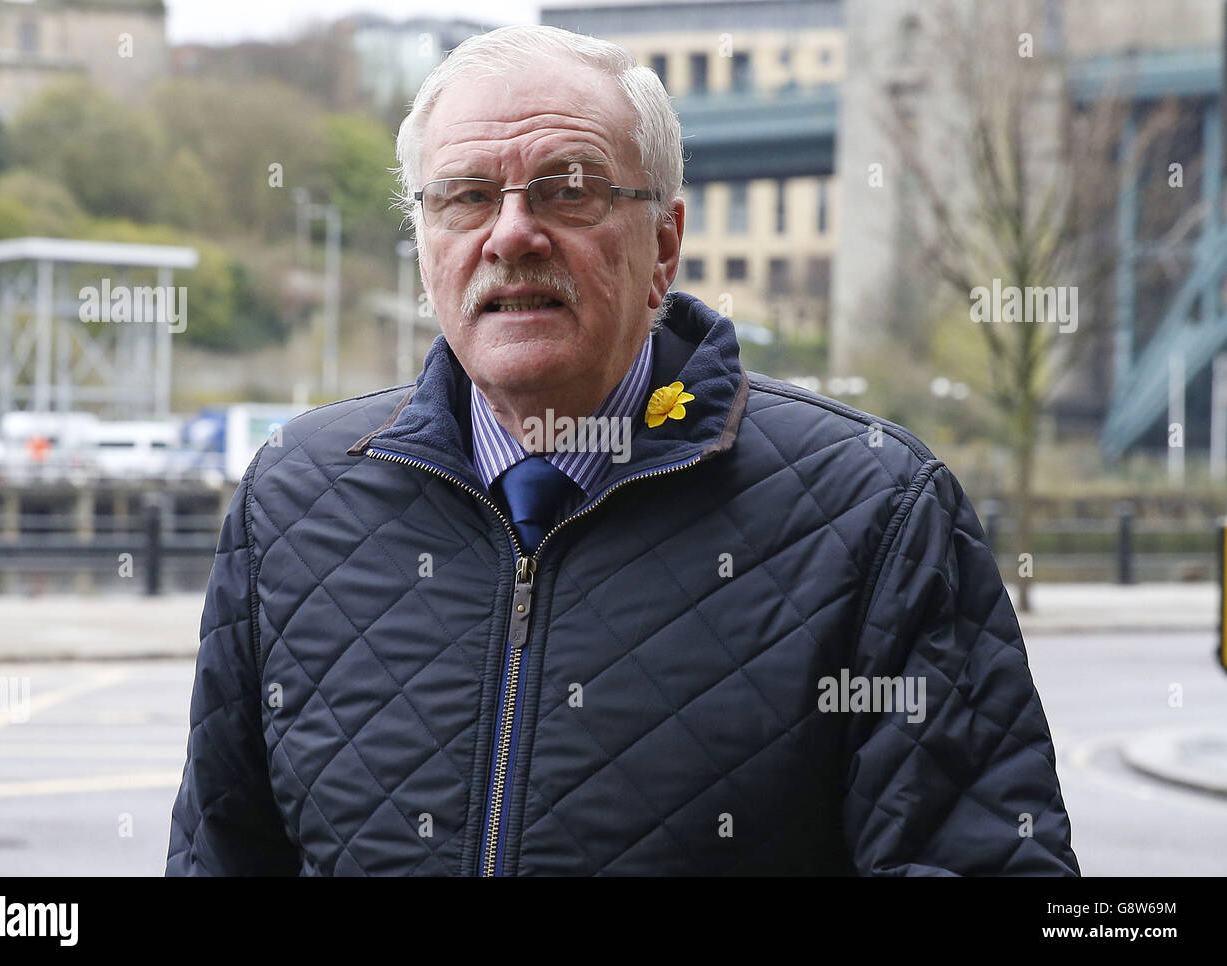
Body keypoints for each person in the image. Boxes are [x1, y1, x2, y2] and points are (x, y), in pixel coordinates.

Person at [167, 24, 1079, 876]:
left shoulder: (877, 514)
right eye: (466, 197)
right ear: (425, 247)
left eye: (571, 189)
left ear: (666, 247)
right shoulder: (292, 500)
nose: (513, 233)